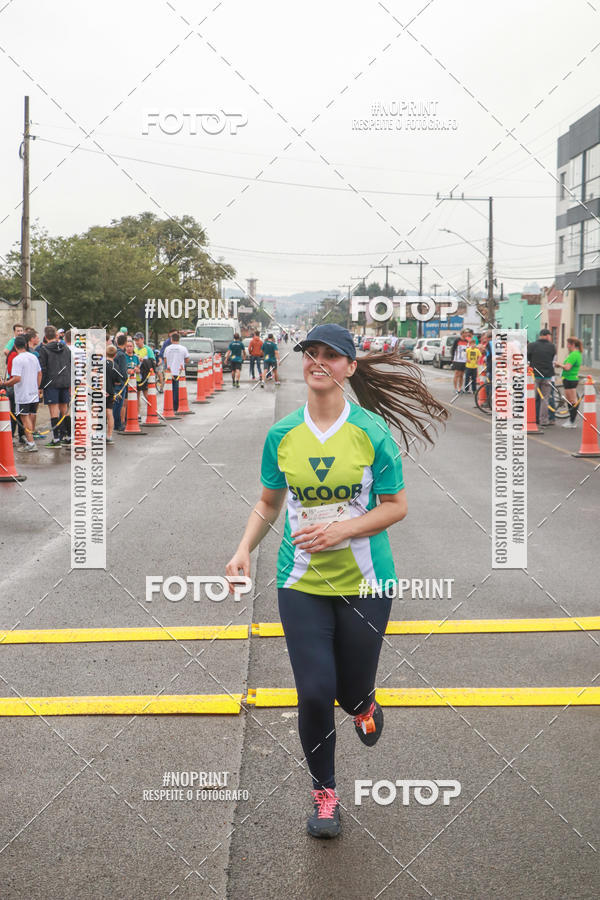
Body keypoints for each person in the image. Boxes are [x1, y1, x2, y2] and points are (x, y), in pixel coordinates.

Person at [225, 323, 447, 839]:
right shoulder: (283, 434)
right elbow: (268, 502)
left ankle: (365, 703)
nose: (318, 362)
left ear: (349, 367)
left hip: (368, 582)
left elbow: (396, 507)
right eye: (311, 354)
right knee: (314, 690)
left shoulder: (371, 432)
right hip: (299, 580)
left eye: (331, 355)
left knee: (349, 691)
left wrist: (341, 529)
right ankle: (325, 796)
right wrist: (241, 549)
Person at [0, 335, 42, 451]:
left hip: (23, 394)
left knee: (24, 417)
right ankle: (30, 440)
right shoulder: (33, 357)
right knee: (31, 415)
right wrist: (37, 387)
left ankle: (31, 443)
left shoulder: (17, 359)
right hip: (33, 392)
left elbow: (17, 378)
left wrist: (4, 383)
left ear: (15, 346)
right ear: (25, 345)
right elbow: (40, 373)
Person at [38, 325, 72, 448]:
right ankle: (69, 437)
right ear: (56, 335)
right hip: (65, 382)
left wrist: (40, 387)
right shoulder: (66, 348)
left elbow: (43, 369)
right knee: (65, 410)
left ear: (46, 337)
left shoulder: (44, 350)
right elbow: (70, 364)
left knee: (53, 411)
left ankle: (56, 439)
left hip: (51, 383)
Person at [527, 329, 556, 427]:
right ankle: (544, 420)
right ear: (547, 336)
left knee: (532, 398)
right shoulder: (552, 347)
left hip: (534, 375)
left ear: (540, 335)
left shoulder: (531, 345)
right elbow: (552, 358)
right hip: (547, 375)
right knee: (545, 399)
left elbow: (527, 358)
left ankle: (532, 419)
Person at [556, 336, 583, 428]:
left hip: (570, 379)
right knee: (570, 401)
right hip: (569, 379)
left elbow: (567, 367)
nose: (567, 346)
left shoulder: (574, 355)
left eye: (568, 344)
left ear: (572, 345)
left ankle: (572, 421)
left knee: (572, 401)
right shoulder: (575, 354)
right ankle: (571, 420)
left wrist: (559, 364)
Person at [164, 332, 189, 411]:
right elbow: (187, 359)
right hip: (179, 372)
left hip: (169, 372)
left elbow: (165, 360)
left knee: (169, 389)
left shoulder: (167, 348)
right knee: (177, 389)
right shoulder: (183, 348)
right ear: (179, 339)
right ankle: (176, 405)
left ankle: (169, 404)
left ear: (171, 339)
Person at [105, 345, 124, 442]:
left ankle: (96, 434)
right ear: (115, 355)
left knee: (96, 413)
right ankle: (109, 435)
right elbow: (119, 381)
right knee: (109, 412)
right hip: (110, 391)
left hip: (99, 391)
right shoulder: (115, 366)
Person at [112, 333, 129, 432]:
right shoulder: (122, 355)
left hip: (114, 381)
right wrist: (125, 378)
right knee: (118, 404)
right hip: (120, 383)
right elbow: (122, 370)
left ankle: (115, 423)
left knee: (115, 404)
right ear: (125, 343)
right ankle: (117, 424)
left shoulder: (115, 353)